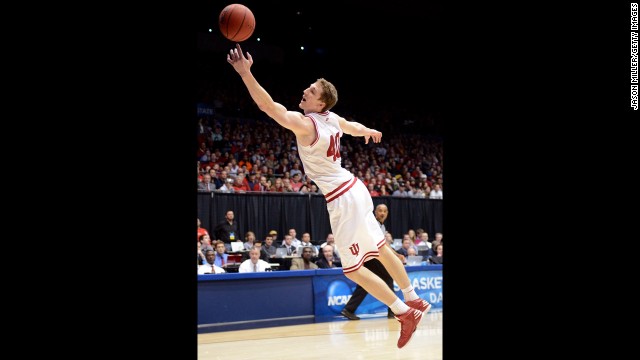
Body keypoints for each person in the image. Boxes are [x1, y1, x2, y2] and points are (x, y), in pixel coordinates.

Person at [227, 43, 431, 348]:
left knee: (353, 270)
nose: (305, 91)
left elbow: (269, 107)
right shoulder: (333, 120)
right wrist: (369, 131)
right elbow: (352, 127)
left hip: (342, 197)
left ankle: (403, 312)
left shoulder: (307, 125)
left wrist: (245, 73)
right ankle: (414, 299)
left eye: (311, 91)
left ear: (321, 104)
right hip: (356, 188)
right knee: (381, 248)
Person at [341, 204, 395, 320]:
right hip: (372, 256)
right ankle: (393, 311)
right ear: (375, 212)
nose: (382, 213)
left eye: (385, 211)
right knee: (388, 279)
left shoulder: (382, 226)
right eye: (380, 211)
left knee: (365, 284)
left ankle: (349, 309)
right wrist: (394, 255)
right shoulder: (373, 224)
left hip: (371, 256)